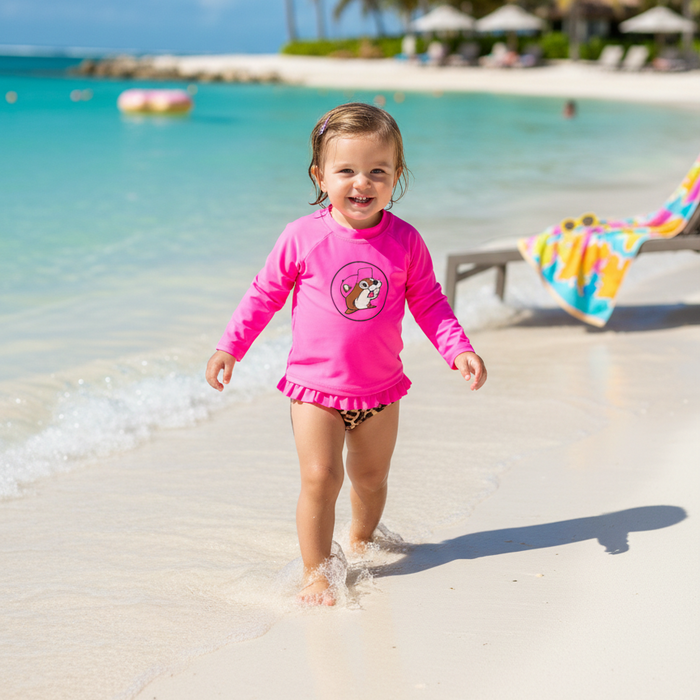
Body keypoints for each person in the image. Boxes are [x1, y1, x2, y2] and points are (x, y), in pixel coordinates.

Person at [205, 103, 487, 606]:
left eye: (378, 171)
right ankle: (317, 571)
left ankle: (360, 539)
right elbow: (263, 294)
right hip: (315, 389)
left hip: (381, 389)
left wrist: (458, 349)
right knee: (321, 477)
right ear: (320, 174)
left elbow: (429, 302)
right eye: (347, 171)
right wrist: (231, 346)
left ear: (397, 176)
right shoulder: (302, 236)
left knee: (371, 480)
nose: (363, 183)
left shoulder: (405, 241)